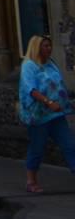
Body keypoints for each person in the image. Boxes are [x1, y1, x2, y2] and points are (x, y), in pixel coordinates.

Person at [20, 34, 75, 193]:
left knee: (69, 145)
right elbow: (30, 89)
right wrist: (48, 102)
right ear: (37, 47)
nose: (49, 48)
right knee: (37, 148)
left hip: (56, 115)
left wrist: (65, 102)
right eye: (45, 46)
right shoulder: (29, 66)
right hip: (39, 116)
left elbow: (58, 85)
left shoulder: (51, 63)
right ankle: (31, 180)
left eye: (49, 45)